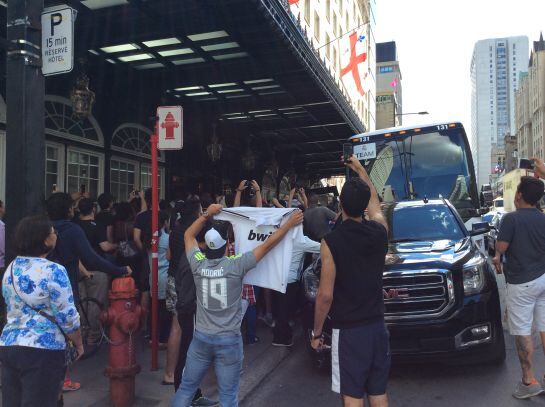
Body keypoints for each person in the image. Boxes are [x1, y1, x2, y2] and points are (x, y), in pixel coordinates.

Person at [172, 204, 303, 407]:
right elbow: (267, 245)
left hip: (201, 338)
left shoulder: (197, 263)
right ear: (226, 246)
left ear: (206, 246)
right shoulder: (236, 265)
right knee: (228, 396)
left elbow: (188, 235)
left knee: (186, 388)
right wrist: (287, 226)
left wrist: (207, 214)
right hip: (229, 341)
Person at [311, 155, 390, 407]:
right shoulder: (380, 233)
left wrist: (316, 332)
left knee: (352, 395)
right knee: (378, 392)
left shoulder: (331, 242)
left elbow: (325, 295)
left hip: (349, 332)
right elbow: (376, 205)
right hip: (378, 326)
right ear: (364, 205)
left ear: (340, 204)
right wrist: (360, 170)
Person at [0, 216, 83, 407]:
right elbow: (67, 317)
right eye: (53, 232)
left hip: (10, 345)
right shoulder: (54, 270)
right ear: (45, 240)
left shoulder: (11, 268)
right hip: (43, 349)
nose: (55, 235)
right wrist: (78, 343)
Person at [493, 175, 545, 399]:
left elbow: (501, 248)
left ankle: (528, 381)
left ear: (519, 195)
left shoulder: (511, 219)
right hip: (543, 278)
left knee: (523, 331)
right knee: (544, 327)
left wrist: (497, 256)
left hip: (521, 283)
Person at [45, 193, 131, 301]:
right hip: (67, 284)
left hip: (44, 284)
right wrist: (119, 270)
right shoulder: (72, 229)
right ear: (68, 209)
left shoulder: (42, 228)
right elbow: (92, 257)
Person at [74, 198, 118, 344]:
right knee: (95, 302)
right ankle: (94, 334)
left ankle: (82, 332)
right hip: (95, 268)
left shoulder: (74, 225)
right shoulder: (97, 226)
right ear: (93, 210)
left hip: (78, 268)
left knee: (81, 302)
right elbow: (105, 246)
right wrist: (116, 246)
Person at [272, 227, 321, 347]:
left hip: (276, 277)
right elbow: (323, 247)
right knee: (285, 309)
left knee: (280, 308)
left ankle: (279, 333)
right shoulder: (301, 240)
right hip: (290, 279)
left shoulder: (279, 236)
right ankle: (281, 339)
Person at [148, 210, 171, 347]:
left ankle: (152, 337)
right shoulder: (167, 238)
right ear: (165, 222)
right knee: (164, 310)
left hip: (153, 276)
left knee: (154, 309)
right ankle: (162, 339)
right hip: (164, 275)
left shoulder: (150, 237)